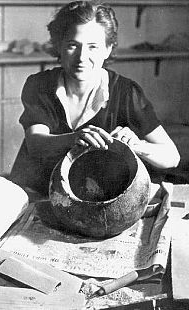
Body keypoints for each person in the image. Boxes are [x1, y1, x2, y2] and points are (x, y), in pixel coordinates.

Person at [10, 0, 180, 198]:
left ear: (108, 49)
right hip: (36, 193)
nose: (82, 57)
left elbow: (172, 157)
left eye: (93, 46)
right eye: (73, 45)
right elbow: (36, 144)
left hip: (90, 199)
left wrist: (137, 146)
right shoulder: (39, 85)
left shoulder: (126, 93)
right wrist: (74, 138)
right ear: (59, 46)